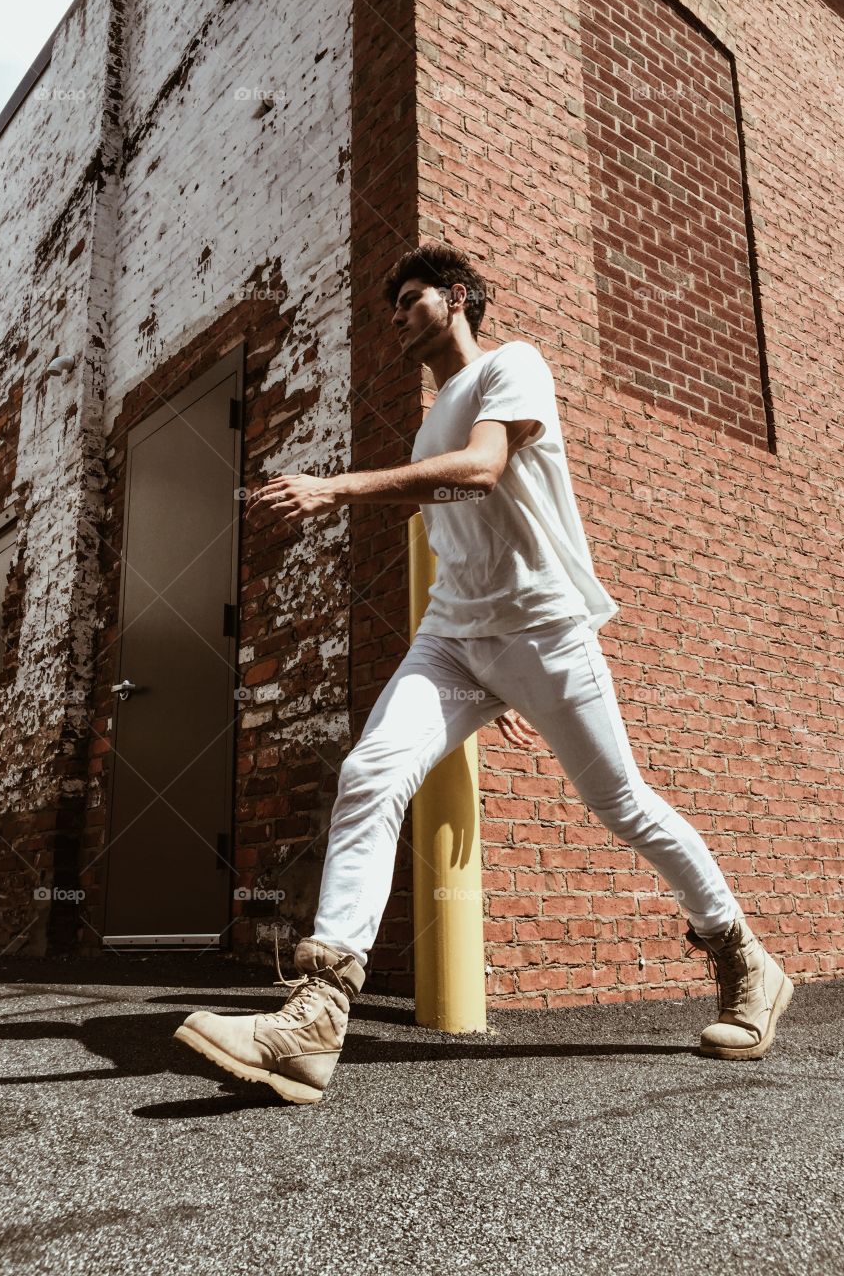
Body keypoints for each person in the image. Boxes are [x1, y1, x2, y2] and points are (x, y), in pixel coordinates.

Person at [174, 243, 793, 1103]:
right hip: (457, 641)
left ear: (457, 298)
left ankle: (741, 956)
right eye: (391, 306)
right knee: (371, 773)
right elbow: (456, 523)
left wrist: (337, 488)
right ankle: (316, 1017)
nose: (396, 315)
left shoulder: (514, 365)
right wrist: (481, 685)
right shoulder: (429, 426)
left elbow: (483, 472)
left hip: (543, 630)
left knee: (622, 804)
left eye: (411, 298)